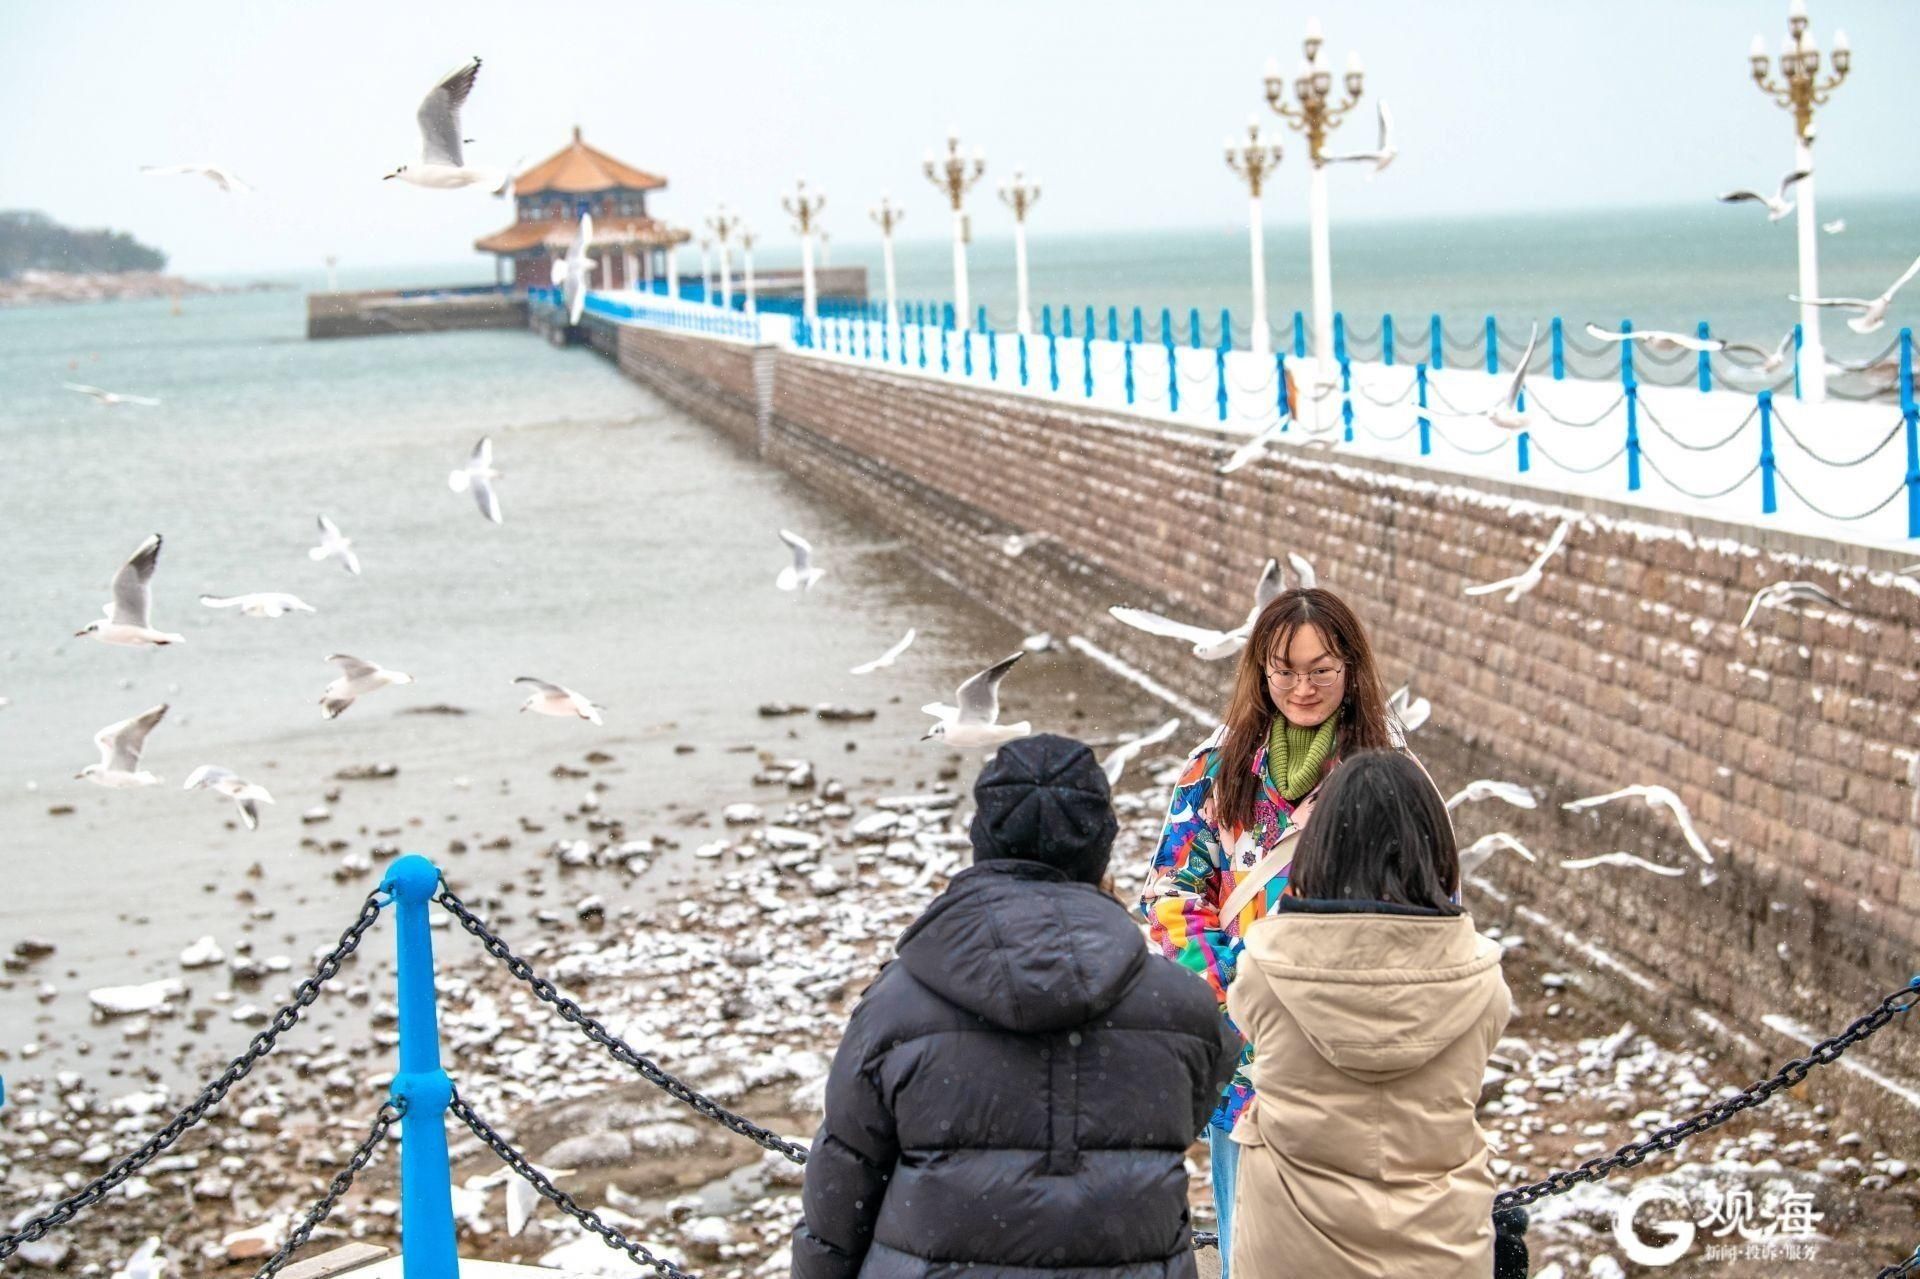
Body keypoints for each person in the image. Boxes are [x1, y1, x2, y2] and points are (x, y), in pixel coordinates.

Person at [792, 733, 1239, 1279]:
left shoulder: (894, 1007)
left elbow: (841, 1192)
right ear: (1101, 847)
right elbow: (1190, 1112)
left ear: (983, 843)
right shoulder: (1182, 1009)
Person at [1138, 586, 1404, 1273]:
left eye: (1321, 669)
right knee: (1247, 1254)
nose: (1301, 687)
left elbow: (1427, 909)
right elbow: (1171, 895)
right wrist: (1241, 995)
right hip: (1247, 1069)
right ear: (1258, 670)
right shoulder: (1215, 770)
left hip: (1348, 1064)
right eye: (1283, 669)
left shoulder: (1390, 777)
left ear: (1352, 671)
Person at [1226, 750, 1515, 1279]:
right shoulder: (1484, 981)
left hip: (1292, 1247)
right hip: (1440, 1247)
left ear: (1322, 849)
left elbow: (1245, 1017)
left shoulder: (1264, 970)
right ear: (1434, 849)